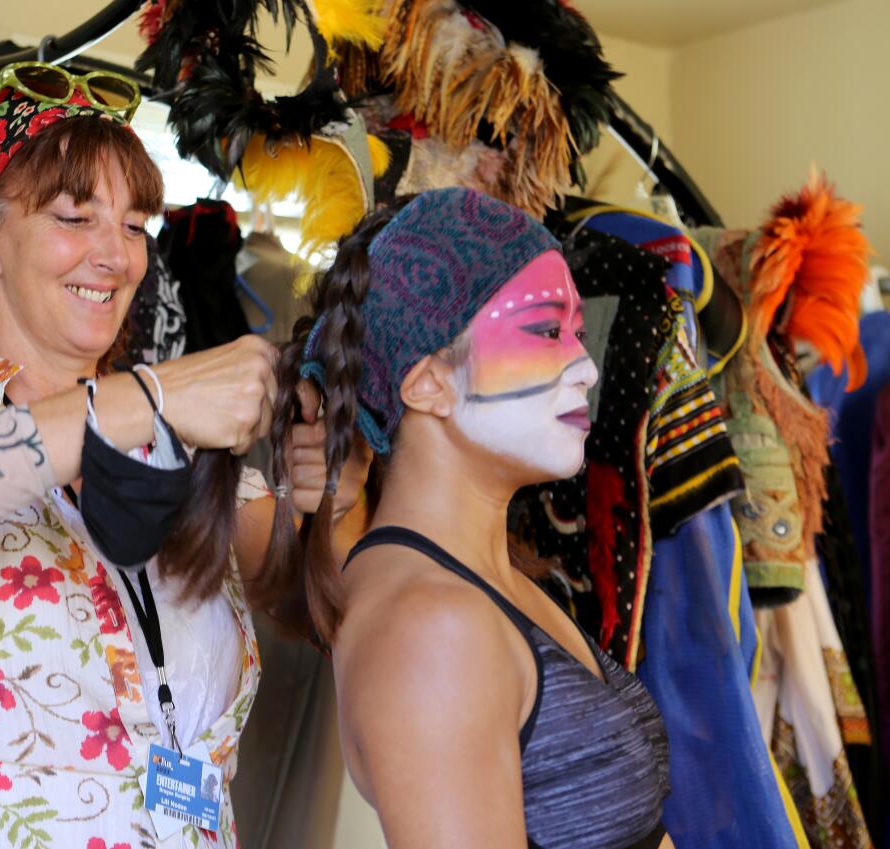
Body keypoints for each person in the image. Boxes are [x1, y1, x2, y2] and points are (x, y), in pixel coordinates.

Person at [0, 63, 363, 849]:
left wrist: (336, 487)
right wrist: (146, 398)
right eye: (75, 215)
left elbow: (325, 606)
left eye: (132, 224)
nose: (117, 256)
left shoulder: (181, 443)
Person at [262, 188, 672, 848]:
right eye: (546, 330)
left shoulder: (486, 581)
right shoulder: (431, 630)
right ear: (426, 382)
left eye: (575, 330)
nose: (586, 365)